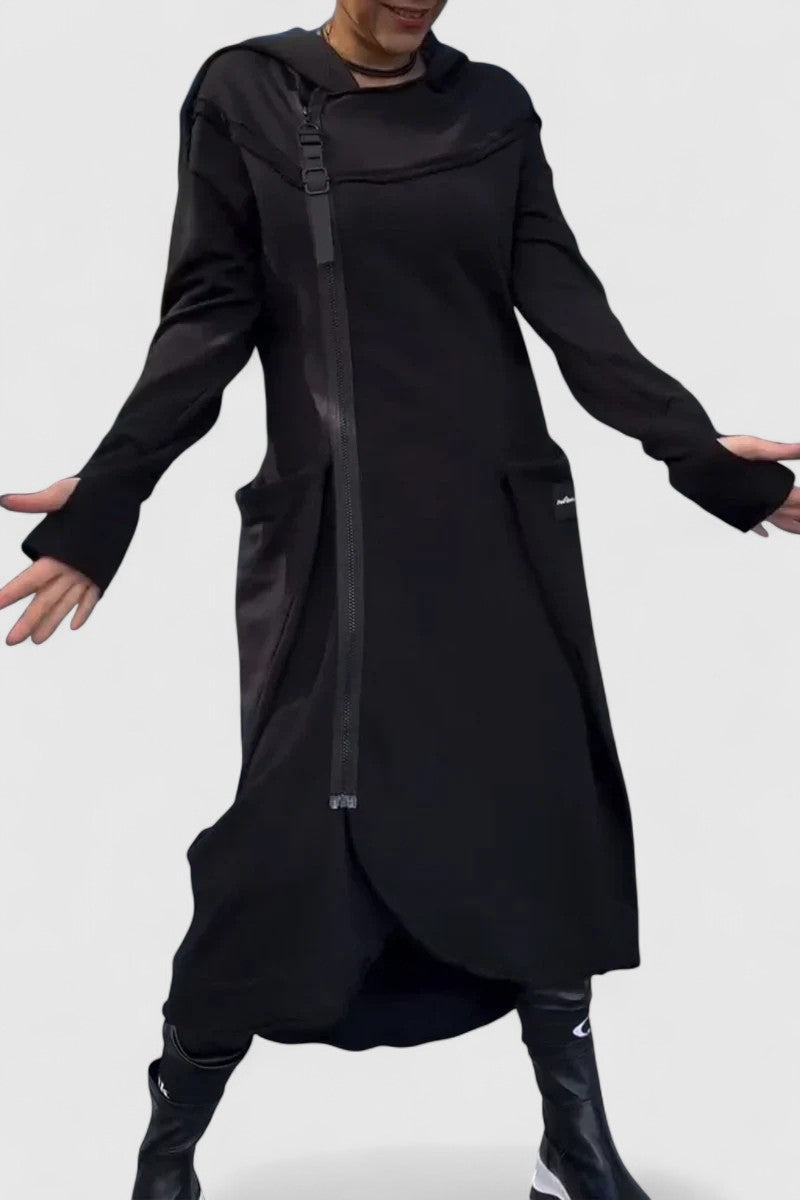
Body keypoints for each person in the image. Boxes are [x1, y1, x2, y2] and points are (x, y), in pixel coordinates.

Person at [2, 5, 798, 1199]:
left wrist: (700, 457)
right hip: (340, 545)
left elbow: (569, 308)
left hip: (499, 531)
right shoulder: (248, 94)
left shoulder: (490, 107)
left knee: (537, 819)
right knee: (286, 844)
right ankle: (168, 1150)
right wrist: (107, 501)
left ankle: (573, 1147)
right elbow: (207, 315)